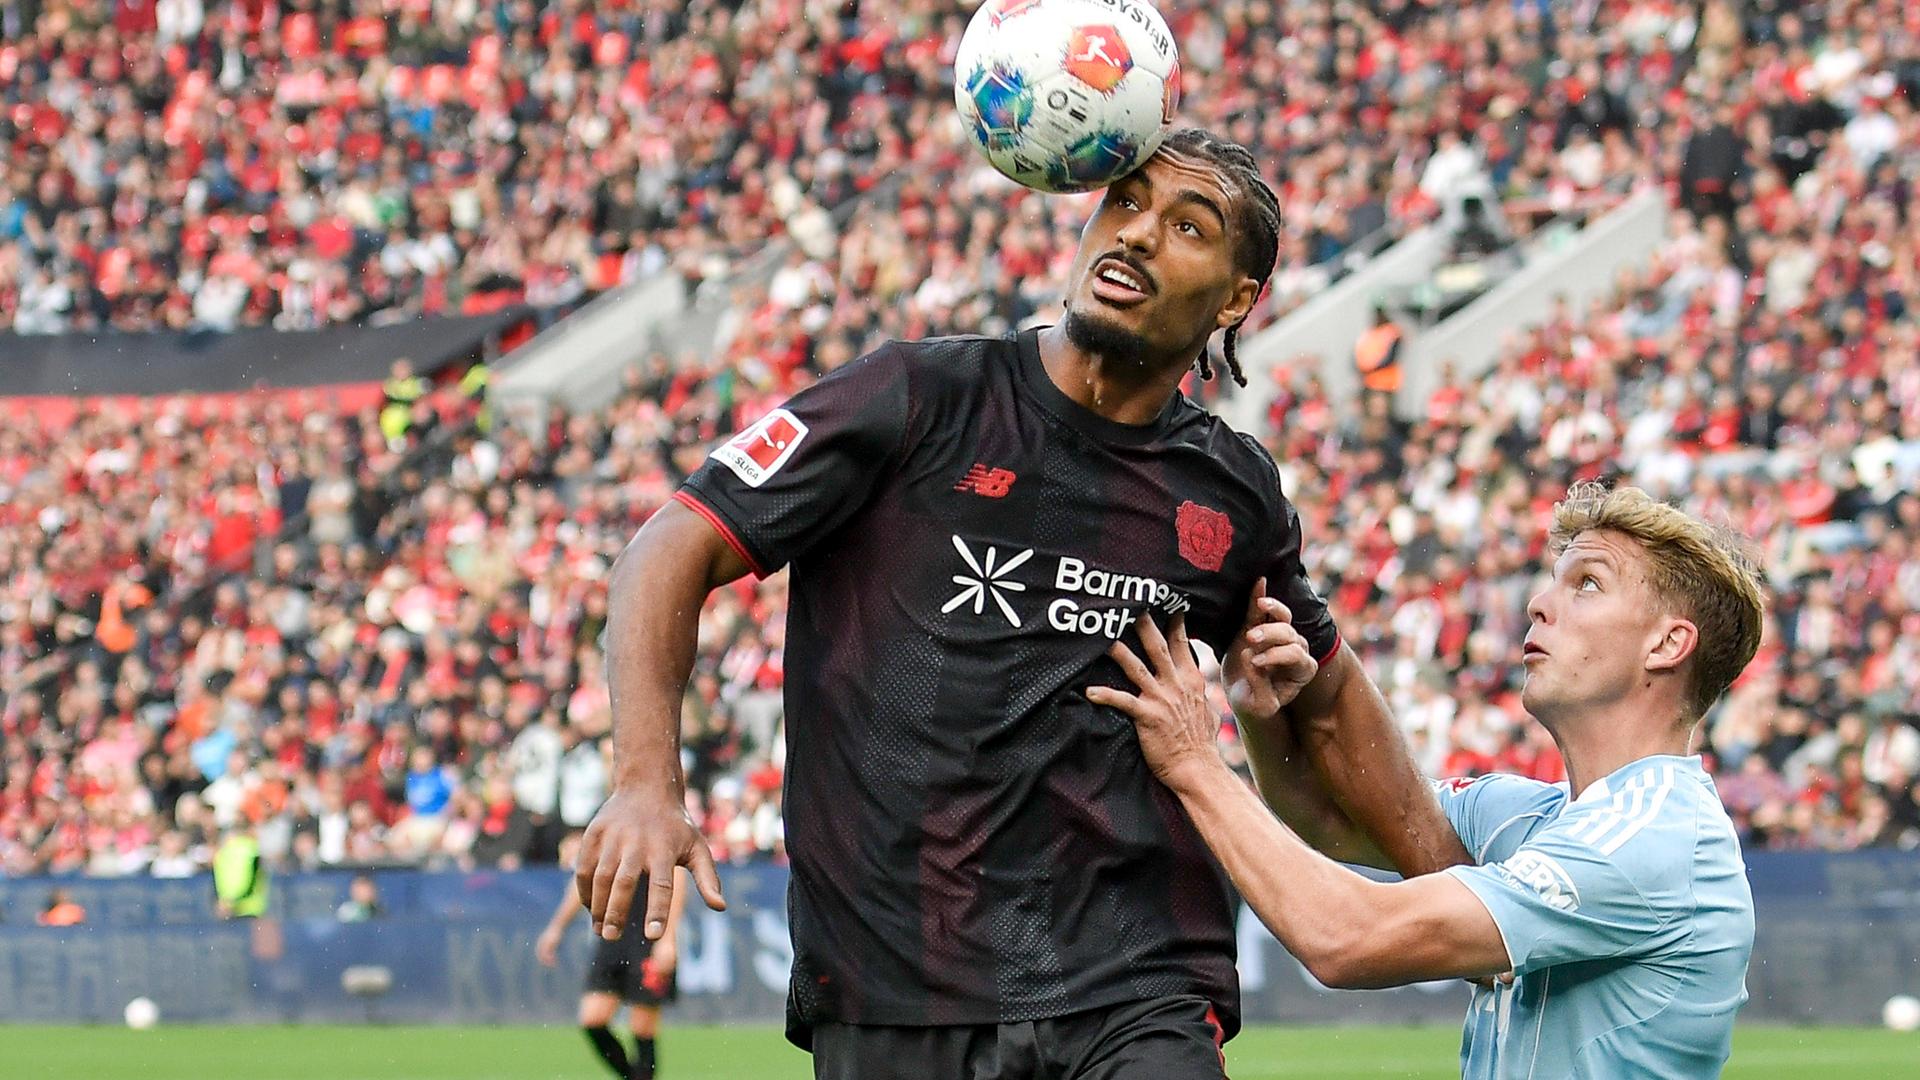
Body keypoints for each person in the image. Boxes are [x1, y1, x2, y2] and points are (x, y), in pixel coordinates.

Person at [576, 127, 1467, 1078]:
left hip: (1136, 982)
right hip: (894, 987)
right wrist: (645, 782)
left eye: (1188, 226)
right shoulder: (917, 398)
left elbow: (1327, 694)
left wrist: (1468, 898)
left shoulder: (1229, 489)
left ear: (1237, 299)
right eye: (1124, 203)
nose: (1137, 233)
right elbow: (669, 549)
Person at [1091, 483, 1763, 1078]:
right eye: (1553, 580)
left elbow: (1346, 939)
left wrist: (1195, 762)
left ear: (1666, 645)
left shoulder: (1655, 838)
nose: (1538, 603)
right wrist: (1262, 717)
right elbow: (1332, 820)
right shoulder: (1536, 816)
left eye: (1587, 583)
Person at [540, 834, 685, 1080]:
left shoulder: (655, 825)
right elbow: (583, 880)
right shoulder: (607, 830)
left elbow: (676, 878)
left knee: (642, 1027)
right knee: (592, 1019)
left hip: (649, 934)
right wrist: (557, 927)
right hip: (613, 935)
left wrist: (668, 938)